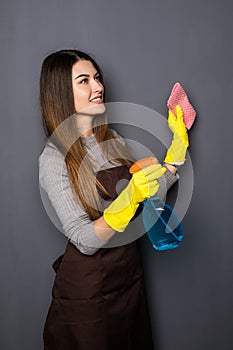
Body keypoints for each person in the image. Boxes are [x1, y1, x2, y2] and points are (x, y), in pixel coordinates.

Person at [38, 49, 189, 350]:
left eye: (97, 78)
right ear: (60, 92)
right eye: (84, 80)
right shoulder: (54, 159)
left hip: (128, 281)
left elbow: (149, 195)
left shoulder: (113, 140)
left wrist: (177, 147)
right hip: (88, 296)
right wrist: (128, 198)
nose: (98, 87)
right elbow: (84, 239)